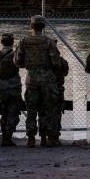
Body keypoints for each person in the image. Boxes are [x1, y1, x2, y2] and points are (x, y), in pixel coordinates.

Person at [14, 15, 62, 148]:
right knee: (48, 109)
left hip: (32, 78)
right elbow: (56, 62)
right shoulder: (49, 41)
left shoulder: (24, 41)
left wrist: (29, 66)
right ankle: (46, 138)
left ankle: (31, 139)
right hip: (47, 79)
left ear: (31, 26)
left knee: (31, 109)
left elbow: (17, 61)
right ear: (43, 26)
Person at [0, 33, 22, 147]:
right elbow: (21, 64)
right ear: (12, 42)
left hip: (0, 88)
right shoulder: (16, 54)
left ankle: (4, 138)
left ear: (1, 42)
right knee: (14, 114)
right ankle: (8, 138)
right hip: (14, 89)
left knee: (4, 114)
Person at [49, 56, 69, 146]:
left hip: (46, 89)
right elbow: (65, 73)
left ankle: (46, 137)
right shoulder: (62, 61)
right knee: (57, 113)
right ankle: (55, 137)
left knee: (45, 113)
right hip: (58, 89)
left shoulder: (44, 61)